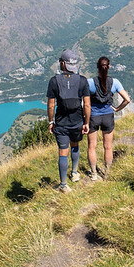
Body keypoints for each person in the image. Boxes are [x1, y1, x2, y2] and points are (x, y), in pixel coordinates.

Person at [46, 49, 90, 193]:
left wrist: (51, 122)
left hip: (61, 123)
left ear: (63, 63)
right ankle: (75, 173)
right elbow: (87, 104)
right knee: (75, 145)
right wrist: (86, 122)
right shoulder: (82, 80)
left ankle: (63, 185)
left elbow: (51, 105)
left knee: (62, 152)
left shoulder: (54, 81)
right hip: (78, 121)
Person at [86, 56, 131, 180]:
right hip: (108, 116)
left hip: (93, 116)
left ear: (97, 66)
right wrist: (116, 109)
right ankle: (107, 172)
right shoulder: (115, 82)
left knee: (92, 146)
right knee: (108, 147)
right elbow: (127, 99)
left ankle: (94, 173)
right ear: (109, 67)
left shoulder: (90, 82)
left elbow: (84, 101)